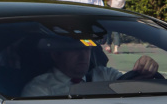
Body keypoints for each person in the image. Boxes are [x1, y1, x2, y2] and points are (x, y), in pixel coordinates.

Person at [21, 35, 159, 97]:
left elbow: (129, 87)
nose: (83, 56)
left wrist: (145, 71)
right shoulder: (40, 89)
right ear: (56, 55)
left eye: (86, 49)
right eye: (75, 50)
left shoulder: (105, 75)